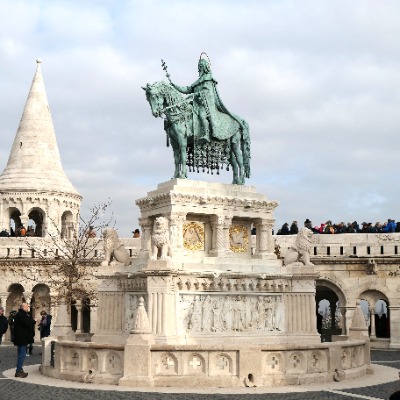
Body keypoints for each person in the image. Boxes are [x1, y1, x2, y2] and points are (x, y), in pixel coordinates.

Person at [170, 54, 244, 144]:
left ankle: (206, 133)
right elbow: (187, 89)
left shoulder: (208, 79)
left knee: (202, 115)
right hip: (197, 104)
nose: (199, 69)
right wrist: (174, 85)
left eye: (201, 66)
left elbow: (207, 93)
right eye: (199, 67)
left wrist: (196, 94)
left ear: (205, 67)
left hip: (206, 105)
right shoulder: (198, 81)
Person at [13, 302, 36, 378]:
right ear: (23, 307)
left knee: (21, 354)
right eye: (26, 307)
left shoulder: (20, 314)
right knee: (22, 355)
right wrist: (34, 321)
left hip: (21, 338)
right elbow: (26, 323)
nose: (28, 308)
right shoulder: (21, 315)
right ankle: (18, 371)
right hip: (22, 338)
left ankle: (20, 369)